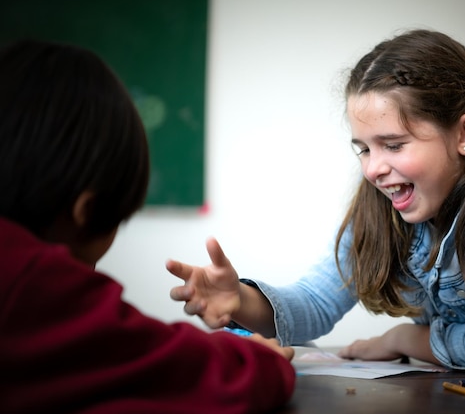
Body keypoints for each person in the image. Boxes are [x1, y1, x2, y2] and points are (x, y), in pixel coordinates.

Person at [167, 29, 465, 374]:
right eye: (364, 148)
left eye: (393, 144)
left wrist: (403, 337)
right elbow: (315, 299)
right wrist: (241, 301)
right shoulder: (383, 206)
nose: (371, 169)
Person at [0, 39, 295, 413]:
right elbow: (202, 375)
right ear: (85, 211)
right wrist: (253, 357)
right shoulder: (29, 282)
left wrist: (242, 300)